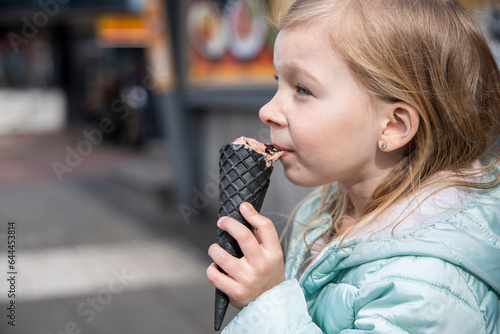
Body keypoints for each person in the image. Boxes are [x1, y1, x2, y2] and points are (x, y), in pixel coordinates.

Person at [206, 0, 500, 332]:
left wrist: (268, 302)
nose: (267, 111)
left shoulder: (427, 285)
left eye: (302, 89)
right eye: (278, 83)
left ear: (393, 126)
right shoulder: (325, 212)